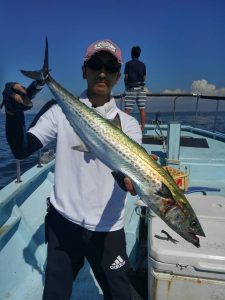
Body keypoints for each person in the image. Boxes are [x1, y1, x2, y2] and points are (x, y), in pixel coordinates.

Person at [2, 39, 142, 300]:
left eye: (109, 67)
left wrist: (129, 177)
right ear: (83, 70)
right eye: (95, 65)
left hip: (108, 230)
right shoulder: (58, 110)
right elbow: (22, 148)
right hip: (63, 225)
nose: (102, 72)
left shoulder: (129, 125)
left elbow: (126, 169)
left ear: (118, 76)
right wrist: (13, 113)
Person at [124, 46, 147, 131]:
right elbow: (144, 78)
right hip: (141, 88)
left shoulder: (128, 64)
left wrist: (126, 84)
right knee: (142, 109)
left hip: (131, 88)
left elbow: (126, 77)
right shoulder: (143, 65)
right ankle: (142, 128)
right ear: (139, 54)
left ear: (131, 54)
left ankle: (124, 127)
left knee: (127, 110)